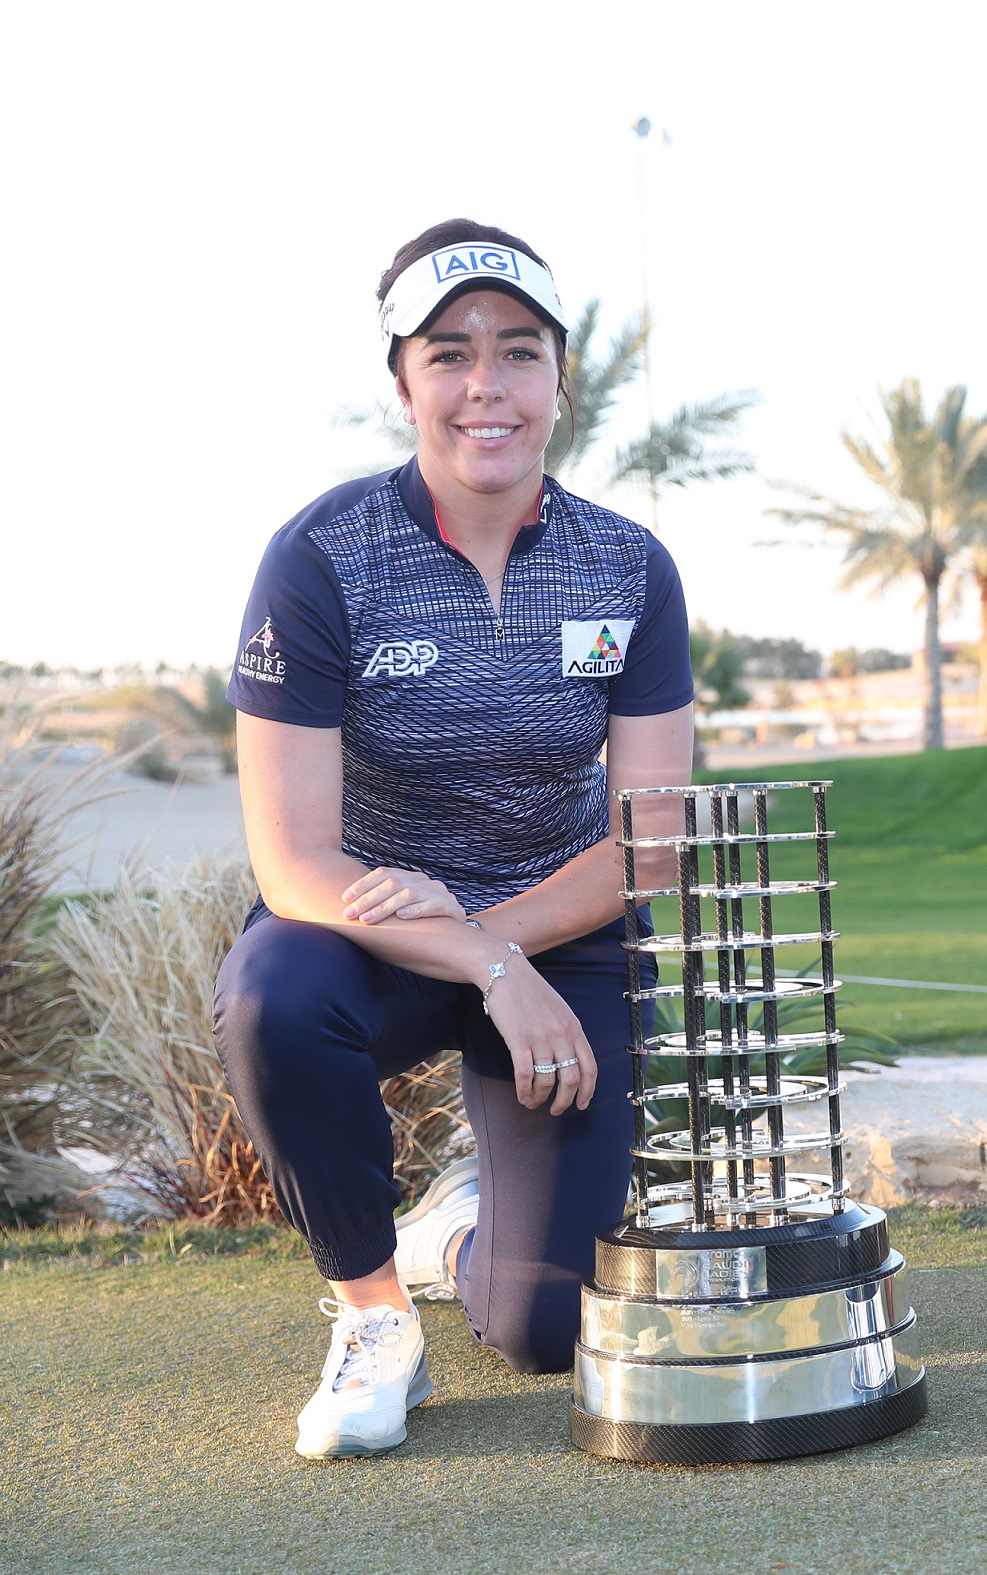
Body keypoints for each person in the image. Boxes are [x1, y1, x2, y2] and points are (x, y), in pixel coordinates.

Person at [213, 219, 695, 1458]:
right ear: (403, 382)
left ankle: (453, 1235)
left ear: (557, 380)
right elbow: (292, 862)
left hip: (564, 934)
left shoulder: (631, 567)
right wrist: (482, 964)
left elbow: (648, 850)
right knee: (271, 995)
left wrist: (508, 951)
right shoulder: (321, 557)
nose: (487, 385)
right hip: (367, 935)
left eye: (519, 352)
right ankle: (375, 1315)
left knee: (543, 1333)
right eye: (449, 353)